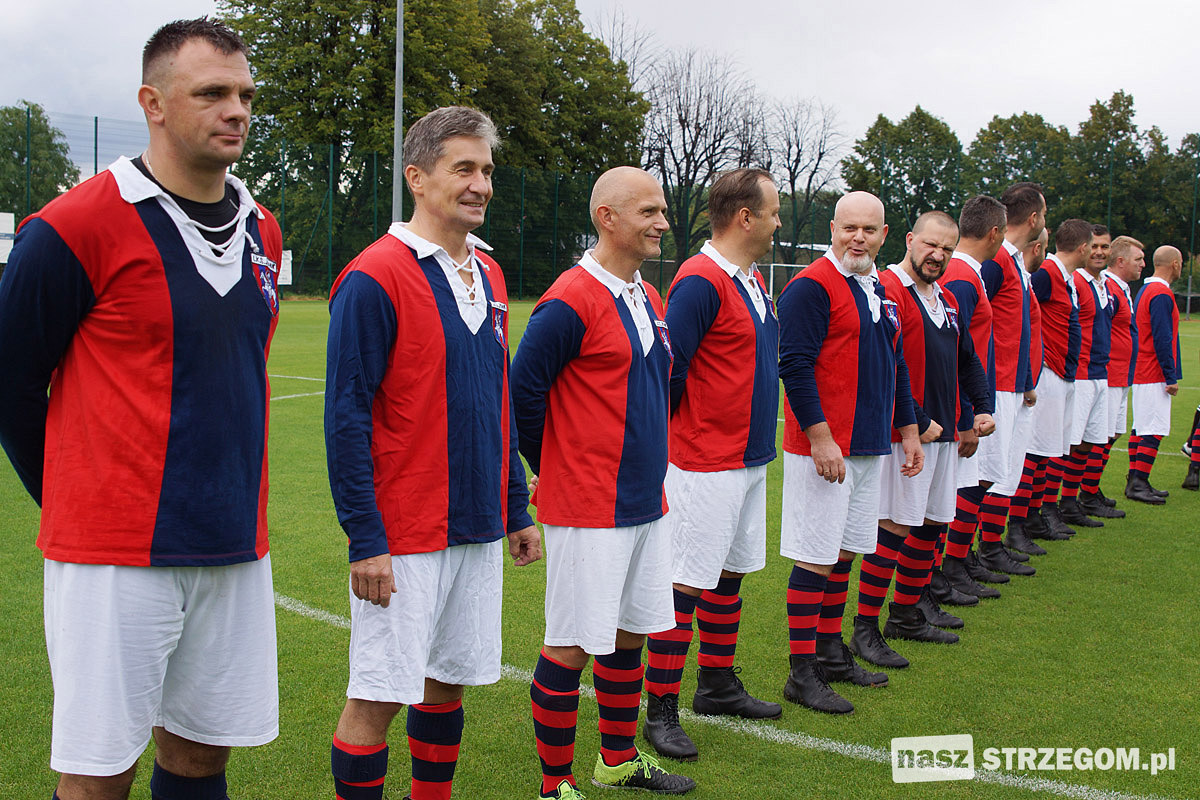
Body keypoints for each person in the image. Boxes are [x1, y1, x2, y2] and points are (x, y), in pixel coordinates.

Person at [0, 18, 280, 800]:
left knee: (202, 753)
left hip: (234, 542)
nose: (236, 110)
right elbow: (11, 383)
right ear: (152, 103)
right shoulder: (74, 225)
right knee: (98, 770)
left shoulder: (263, 228)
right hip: (114, 554)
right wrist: (77, 501)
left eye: (245, 95)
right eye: (212, 93)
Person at [324, 106, 541, 800]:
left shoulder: (492, 275)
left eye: (487, 170)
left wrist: (515, 507)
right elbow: (345, 420)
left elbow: (499, 402)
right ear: (418, 177)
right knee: (379, 694)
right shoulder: (374, 276)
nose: (481, 184)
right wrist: (365, 538)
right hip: (405, 532)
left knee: (448, 681)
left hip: (476, 524)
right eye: (464, 169)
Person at [512, 167, 695, 798]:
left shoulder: (645, 294)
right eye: (649, 211)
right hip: (589, 505)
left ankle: (616, 760)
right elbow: (523, 392)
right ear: (607, 218)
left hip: (647, 500)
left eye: (663, 211)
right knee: (570, 645)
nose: (663, 223)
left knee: (630, 633)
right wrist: (553, 464)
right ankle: (553, 786)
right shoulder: (570, 297)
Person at [642, 168, 782, 763]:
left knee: (729, 575)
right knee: (685, 584)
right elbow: (671, 371)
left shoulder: (749, 279)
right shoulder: (700, 279)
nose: (779, 222)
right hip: (703, 461)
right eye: (774, 212)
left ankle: (718, 684)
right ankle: (661, 712)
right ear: (745, 217)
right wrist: (674, 446)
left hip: (748, 455)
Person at [777, 191, 922, 715]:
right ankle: (802, 671)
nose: (857, 238)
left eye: (869, 229)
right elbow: (793, 366)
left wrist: (907, 427)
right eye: (848, 229)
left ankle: (830, 652)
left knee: (842, 553)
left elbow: (895, 361)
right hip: (826, 448)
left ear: (885, 235)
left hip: (867, 445)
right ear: (832, 229)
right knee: (816, 555)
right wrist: (819, 437)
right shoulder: (811, 286)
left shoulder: (879, 286)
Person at [850, 211, 993, 670]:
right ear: (910, 240)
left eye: (948, 250)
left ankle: (907, 613)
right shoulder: (889, 289)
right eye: (931, 245)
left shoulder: (947, 298)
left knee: (931, 524)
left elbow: (967, 359)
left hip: (944, 432)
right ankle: (865, 627)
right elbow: (881, 366)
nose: (938, 256)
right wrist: (915, 418)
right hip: (905, 434)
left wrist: (982, 406)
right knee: (894, 528)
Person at [970, 183, 1044, 579]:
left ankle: (989, 547)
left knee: (1002, 470)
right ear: (1033, 219)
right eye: (1044, 215)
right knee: (983, 473)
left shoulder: (1014, 260)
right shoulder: (996, 261)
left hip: (1014, 383)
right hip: (994, 383)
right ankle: (968, 556)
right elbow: (978, 320)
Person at [937, 196, 1006, 601]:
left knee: (951, 495)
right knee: (944, 499)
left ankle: (948, 571)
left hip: (963, 402)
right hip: (954, 407)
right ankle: (942, 574)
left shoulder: (967, 273)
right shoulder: (963, 276)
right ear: (995, 232)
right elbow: (955, 348)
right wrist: (967, 412)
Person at [1018, 219, 1092, 550]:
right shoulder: (1047, 273)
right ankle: (1018, 524)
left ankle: (1037, 515)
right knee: (1035, 451)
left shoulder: (1066, 277)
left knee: (1048, 450)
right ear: (1083, 247)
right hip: (1047, 373)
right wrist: (1039, 358)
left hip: (1062, 372)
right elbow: (1026, 313)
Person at [1127, 245, 1184, 503]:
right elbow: (1162, 337)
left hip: (1143, 369)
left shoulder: (1147, 290)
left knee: (1142, 427)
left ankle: (1136, 479)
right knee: (1153, 428)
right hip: (1153, 371)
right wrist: (1170, 376)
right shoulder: (1160, 293)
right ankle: (1138, 482)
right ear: (1174, 263)